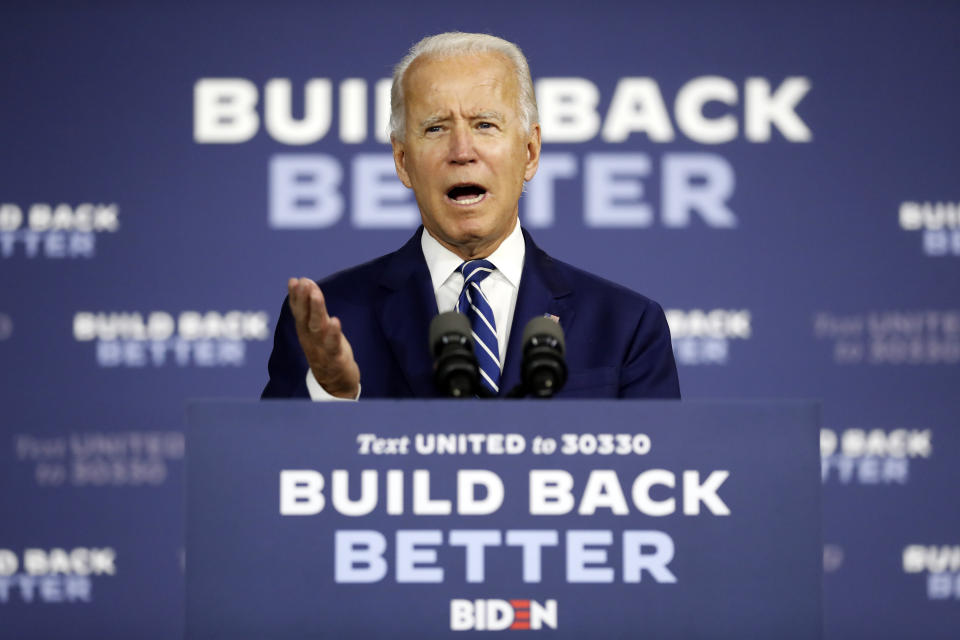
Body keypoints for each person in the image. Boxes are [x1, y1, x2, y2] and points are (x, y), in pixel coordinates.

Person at [262, 32, 680, 400]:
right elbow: (278, 475)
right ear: (403, 160)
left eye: (484, 125)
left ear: (530, 152)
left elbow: (658, 477)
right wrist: (333, 397)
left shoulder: (626, 325)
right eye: (436, 128)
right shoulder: (332, 319)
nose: (462, 152)